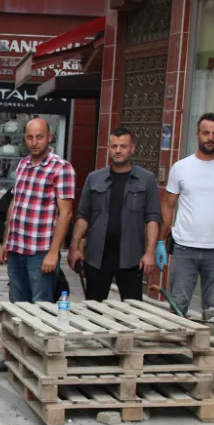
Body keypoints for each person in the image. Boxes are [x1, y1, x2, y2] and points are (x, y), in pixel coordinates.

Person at [160, 113, 214, 312]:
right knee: (178, 305)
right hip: (184, 248)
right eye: (206, 133)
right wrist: (160, 240)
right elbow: (167, 206)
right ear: (197, 134)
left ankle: (209, 344)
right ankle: (177, 343)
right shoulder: (181, 167)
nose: (210, 138)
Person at [68, 127, 160, 301]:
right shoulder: (94, 178)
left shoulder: (146, 179)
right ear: (109, 148)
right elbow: (82, 216)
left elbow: (152, 218)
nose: (118, 150)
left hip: (131, 257)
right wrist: (74, 248)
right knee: (93, 310)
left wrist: (150, 253)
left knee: (133, 311)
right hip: (97, 256)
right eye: (114, 146)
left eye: (123, 146)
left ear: (132, 148)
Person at [0, 118, 74, 303]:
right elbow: (14, 204)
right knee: (17, 306)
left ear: (49, 137)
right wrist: (6, 242)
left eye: (39, 137)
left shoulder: (61, 168)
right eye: (30, 137)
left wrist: (53, 253)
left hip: (41, 251)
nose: (34, 142)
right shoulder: (23, 165)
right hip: (17, 248)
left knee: (41, 308)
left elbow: (66, 213)